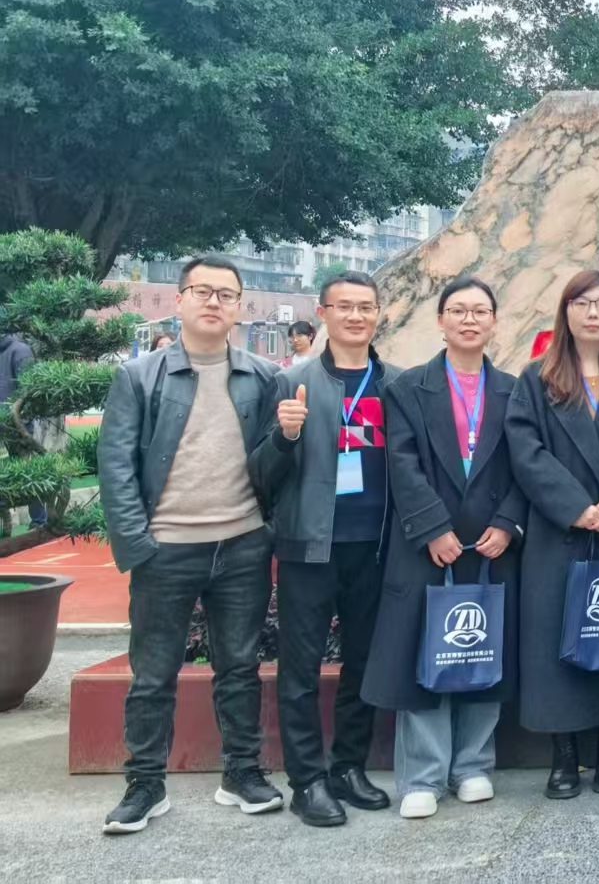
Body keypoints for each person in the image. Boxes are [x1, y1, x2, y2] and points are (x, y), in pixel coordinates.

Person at [94, 257, 282, 834]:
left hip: (242, 544)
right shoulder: (139, 376)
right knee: (153, 674)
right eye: (202, 291)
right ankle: (145, 784)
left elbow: (273, 463)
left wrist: (269, 529)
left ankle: (242, 772)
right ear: (179, 301)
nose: (214, 302)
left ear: (240, 307)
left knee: (240, 667)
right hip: (167, 548)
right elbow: (116, 466)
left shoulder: (262, 376)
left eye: (226, 294)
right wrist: (138, 545)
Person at [361, 276, 525, 820]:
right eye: (458, 310)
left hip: (490, 545)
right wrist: (432, 527)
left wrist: (508, 523)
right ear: (441, 320)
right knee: (425, 652)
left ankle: (473, 765)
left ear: (494, 321)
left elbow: (524, 466)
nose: (469, 319)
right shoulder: (408, 388)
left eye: (480, 311)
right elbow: (402, 463)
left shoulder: (513, 390)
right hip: (427, 544)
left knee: (481, 648)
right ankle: (424, 775)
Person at [251, 270, 402, 827]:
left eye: (366, 306)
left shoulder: (397, 385)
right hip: (309, 546)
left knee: (363, 663)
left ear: (378, 314)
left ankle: (348, 768)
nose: (356, 316)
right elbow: (260, 476)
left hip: (375, 546)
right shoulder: (291, 381)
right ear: (323, 314)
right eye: (344, 306)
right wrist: (285, 436)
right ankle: (307, 781)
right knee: (300, 669)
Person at [507, 269, 599, 799]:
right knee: (555, 643)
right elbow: (526, 452)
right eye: (582, 302)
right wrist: (574, 507)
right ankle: (563, 756)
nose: (593, 313)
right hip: (559, 534)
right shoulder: (536, 379)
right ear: (565, 311)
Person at [0, 323, 43, 527]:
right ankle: (10, 522)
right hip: (10, 423)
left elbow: (28, 391)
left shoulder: (20, 350)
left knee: (28, 473)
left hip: (18, 426)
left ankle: (39, 522)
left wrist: (22, 425)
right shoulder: (20, 349)